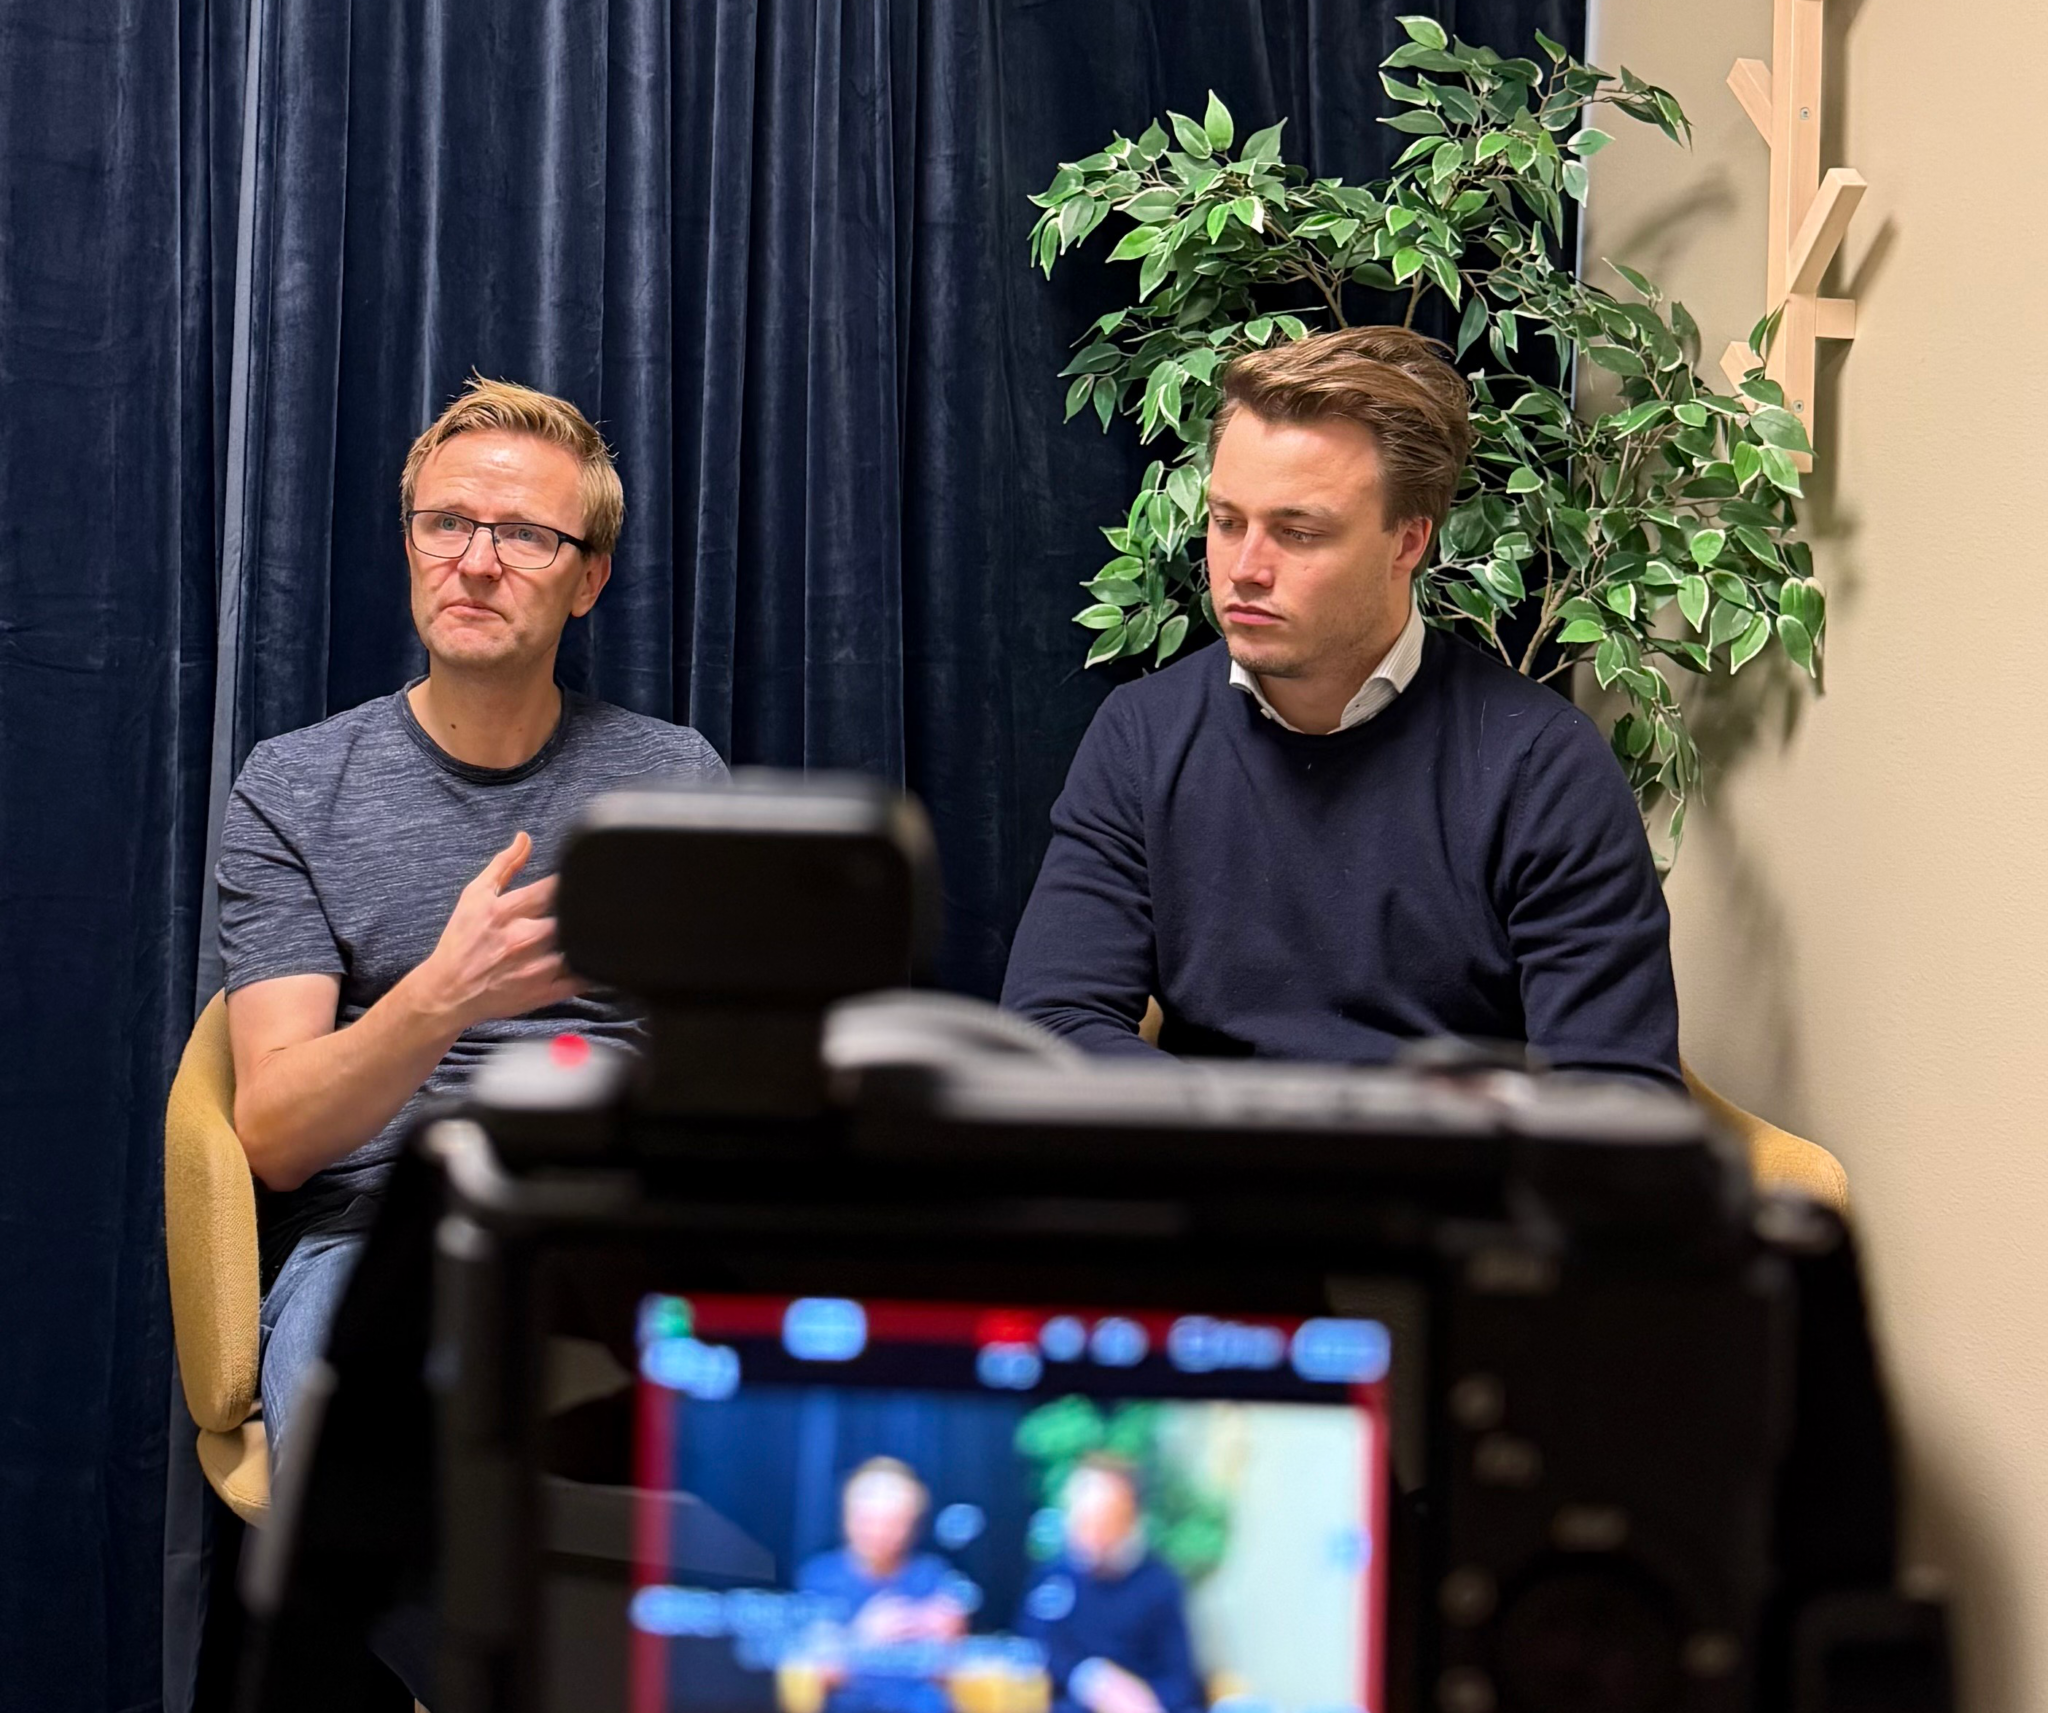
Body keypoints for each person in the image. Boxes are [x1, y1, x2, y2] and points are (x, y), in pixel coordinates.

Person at [218, 376, 726, 1474]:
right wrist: (443, 997)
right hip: (380, 1236)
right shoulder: (292, 788)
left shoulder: (673, 780)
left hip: (622, 1229)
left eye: (526, 535)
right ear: (411, 545)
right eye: (446, 522)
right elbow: (273, 1138)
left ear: (588, 579)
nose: (477, 561)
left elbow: (736, 1077)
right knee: (380, 1476)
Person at [1001, 327, 1680, 1087]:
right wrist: (1239, 1136)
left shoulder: (1543, 767)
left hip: (1448, 1161)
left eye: (1298, 532)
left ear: (1407, 543)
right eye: (1227, 522)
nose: (1245, 568)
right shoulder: (1143, 735)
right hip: (1204, 1155)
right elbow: (1053, 1024)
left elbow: (1617, 1090)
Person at [1016, 1458, 1201, 1713]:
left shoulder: (1160, 1584)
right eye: (1081, 1518)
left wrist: (1136, 1698)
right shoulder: (1053, 1578)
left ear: (1130, 1519)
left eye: (1103, 1520)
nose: (1090, 1534)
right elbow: (1033, 1651)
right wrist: (1090, 1679)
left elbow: (1180, 1680)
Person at [795, 1458, 974, 1713]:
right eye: (868, 1520)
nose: (879, 1532)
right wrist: (863, 1637)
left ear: (912, 1525)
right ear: (847, 1519)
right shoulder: (822, 1577)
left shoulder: (932, 1575)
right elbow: (822, 1674)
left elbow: (952, 1669)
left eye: (892, 1523)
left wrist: (949, 1639)